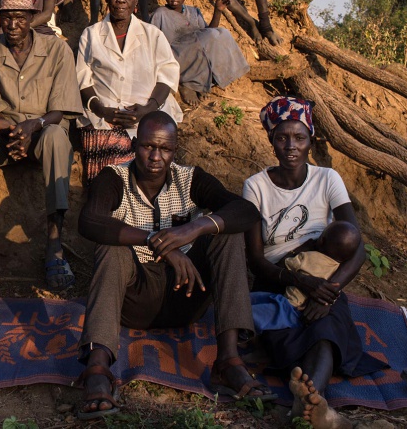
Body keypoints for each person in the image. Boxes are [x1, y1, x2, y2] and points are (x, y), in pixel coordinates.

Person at [75, 112, 273, 420]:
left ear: (175, 150)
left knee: (227, 234)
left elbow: (246, 211)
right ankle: (98, 367)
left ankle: (228, 360)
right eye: (148, 147)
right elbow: (89, 221)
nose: (156, 157)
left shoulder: (190, 179)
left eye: (165, 149)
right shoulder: (113, 179)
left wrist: (194, 228)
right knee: (110, 246)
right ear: (134, 145)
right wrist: (158, 243)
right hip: (134, 302)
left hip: (186, 295)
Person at [244, 96, 387, 428]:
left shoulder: (327, 179)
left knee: (325, 328)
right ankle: (314, 406)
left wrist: (329, 292)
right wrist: (298, 280)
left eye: (299, 137)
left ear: (310, 140)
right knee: (285, 330)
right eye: (282, 137)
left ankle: (309, 401)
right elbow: (256, 260)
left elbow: (357, 246)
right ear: (271, 139)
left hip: (324, 278)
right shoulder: (256, 186)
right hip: (279, 278)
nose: (291, 146)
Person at [0, 0, 83, 288]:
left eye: (20, 18)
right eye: (6, 18)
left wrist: (33, 127)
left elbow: (60, 111)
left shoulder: (57, 50)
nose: (13, 25)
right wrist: (14, 132)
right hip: (2, 132)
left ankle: (54, 244)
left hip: (43, 129)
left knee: (56, 137)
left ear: (32, 17)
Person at [76, 0, 182, 181]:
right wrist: (102, 110)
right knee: (109, 176)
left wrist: (148, 109)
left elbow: (167, 74)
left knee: (150, 167)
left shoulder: (152, 34)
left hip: (147, 113)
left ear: (135, 1)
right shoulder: (91, 34)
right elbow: (82, 77)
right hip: (103, 116)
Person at [150, 0, 250, 105]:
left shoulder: (194, 12)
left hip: (197, 57)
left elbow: (209, 35)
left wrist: (218, 10)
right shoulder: (159, 14)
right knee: (201, 41)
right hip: (176, 61)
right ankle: (186, 84)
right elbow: (152, 46)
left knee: (221, 33)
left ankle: (205, 82)